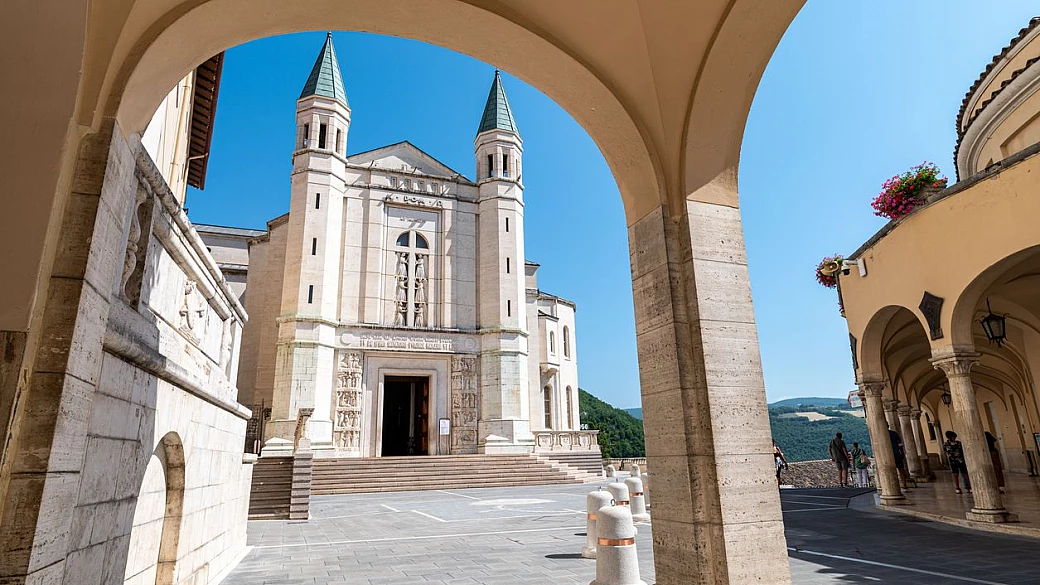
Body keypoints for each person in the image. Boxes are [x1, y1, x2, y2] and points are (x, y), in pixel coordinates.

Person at [943, 430, 972, 494]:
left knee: (965, 474)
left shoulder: (959, 443)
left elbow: (962, 450)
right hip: (953, 462)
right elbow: (948, 452)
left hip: (961, 461)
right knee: (955, 474)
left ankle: (968, 487)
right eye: (953, 437)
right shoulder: (946, 444)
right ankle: (957, 488)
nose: (954, 438)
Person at [888, 425, 909, 489]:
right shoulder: (894, 433)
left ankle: (894, 486)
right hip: (897, 453)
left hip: (889, 455)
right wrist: (902, 452)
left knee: (891, 470)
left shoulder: (881, 435)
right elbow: (900, 444)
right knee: (901, 469)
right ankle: (904, 483)